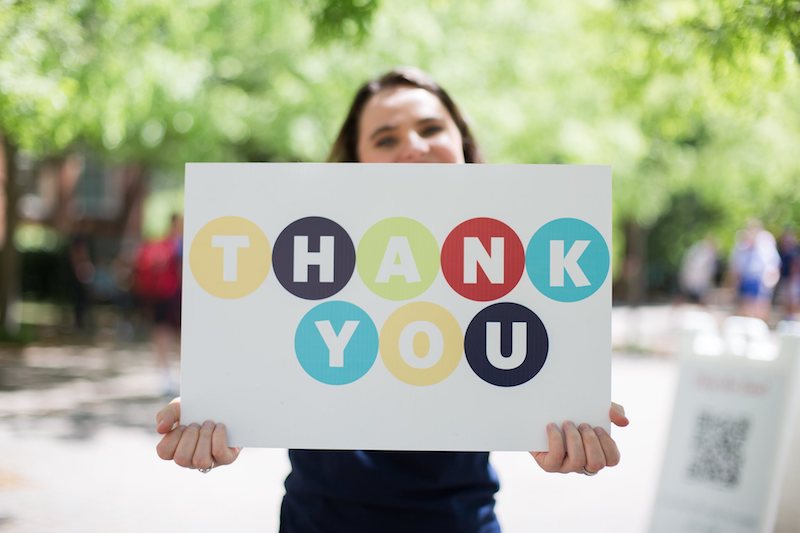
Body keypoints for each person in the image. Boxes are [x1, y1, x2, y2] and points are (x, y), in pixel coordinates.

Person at [155, 67, 629, 532]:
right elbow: (256, 371)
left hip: (461, 523)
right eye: (385, 139)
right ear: (355, 164)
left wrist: (569, 430)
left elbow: (537, 389)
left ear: (462, 145)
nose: (414, 148)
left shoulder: (514, 261)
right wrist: (217, 415)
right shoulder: (307, 262)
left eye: (430, 128)